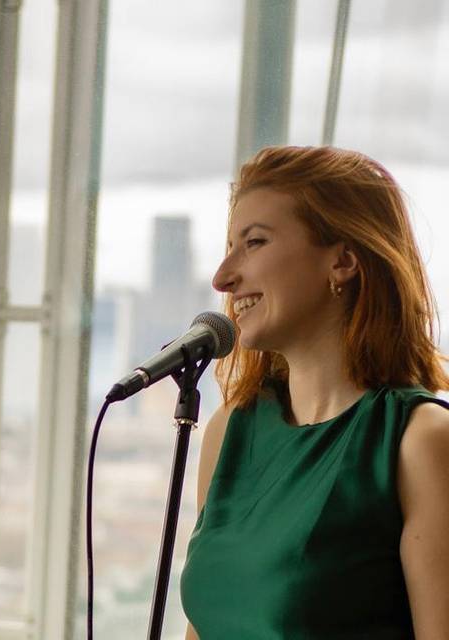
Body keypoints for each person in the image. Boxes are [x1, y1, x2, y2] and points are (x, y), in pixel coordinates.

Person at [180, 146, 449, 639]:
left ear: (343, 261)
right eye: (230, 245)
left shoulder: (421, 441)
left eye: (254, 243)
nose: (223, 276)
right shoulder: (231, 430)